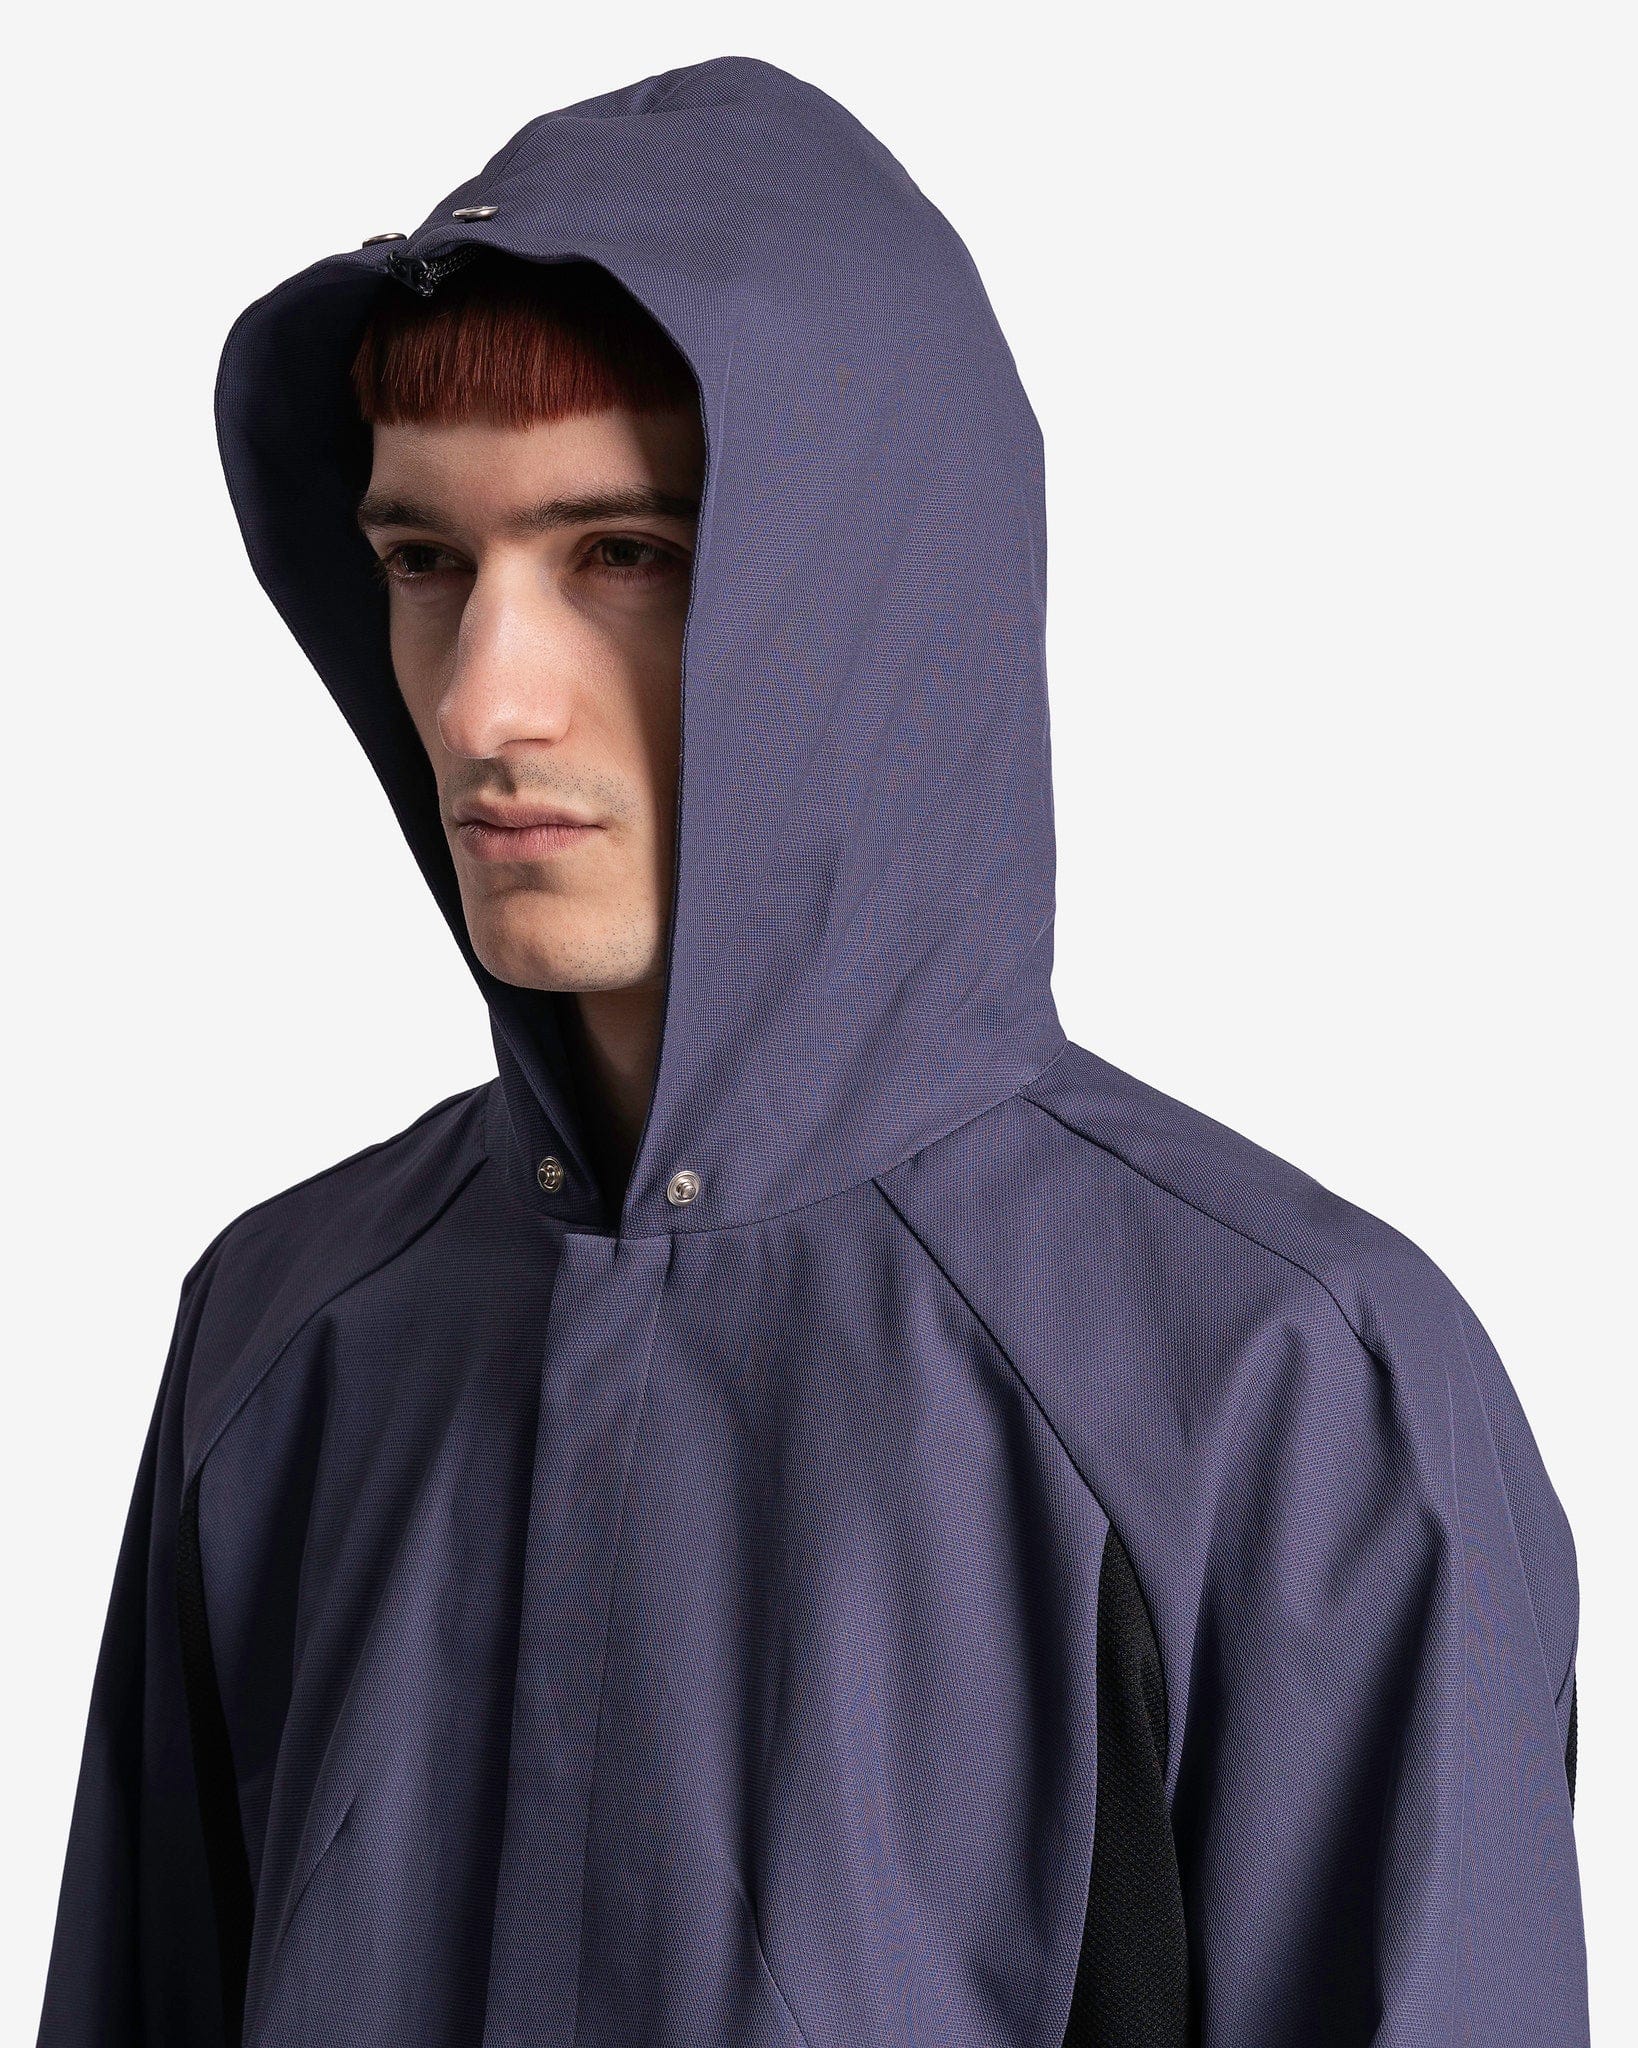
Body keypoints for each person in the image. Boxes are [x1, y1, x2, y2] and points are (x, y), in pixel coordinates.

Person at [36, 54, 1588, 2048]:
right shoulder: (285, 1331)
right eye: (425, 561)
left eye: (626, 555)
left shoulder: (1281, 1382)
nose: (487, 703)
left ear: (864, 604)